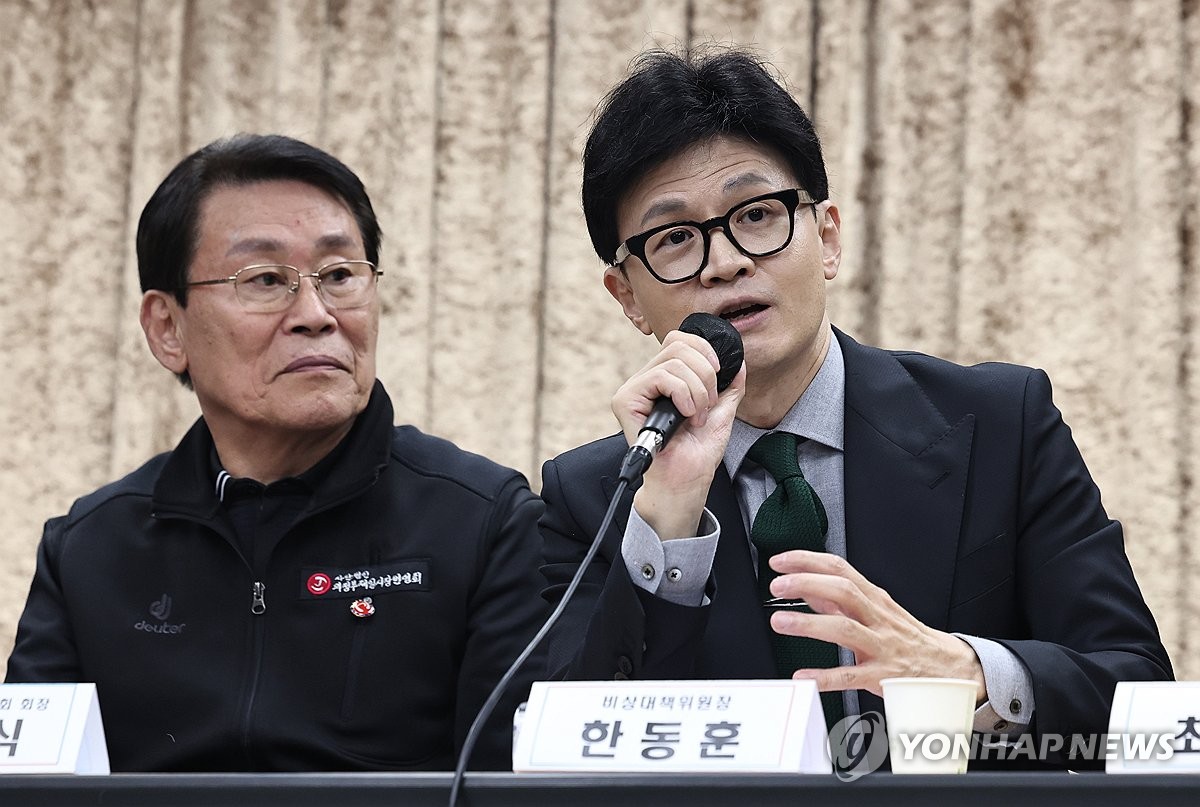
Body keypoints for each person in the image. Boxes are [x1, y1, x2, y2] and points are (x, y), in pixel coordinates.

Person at [538, 49, 1172, 770]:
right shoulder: (593, 499)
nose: (725, 262)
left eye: (757, 214)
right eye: (676, 238)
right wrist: (667, 523)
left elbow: (1140, 695)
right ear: (627, 296)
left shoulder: (1002, 425)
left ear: (828, 238)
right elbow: (563, 757)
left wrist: (971, 672)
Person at [5, 134, 546, 772]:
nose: (315, 314)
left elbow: (506, 784)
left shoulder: (483, 522)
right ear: (168, 328)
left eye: (340, 275)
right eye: (265, 280)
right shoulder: (89, 550)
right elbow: (28, 783)